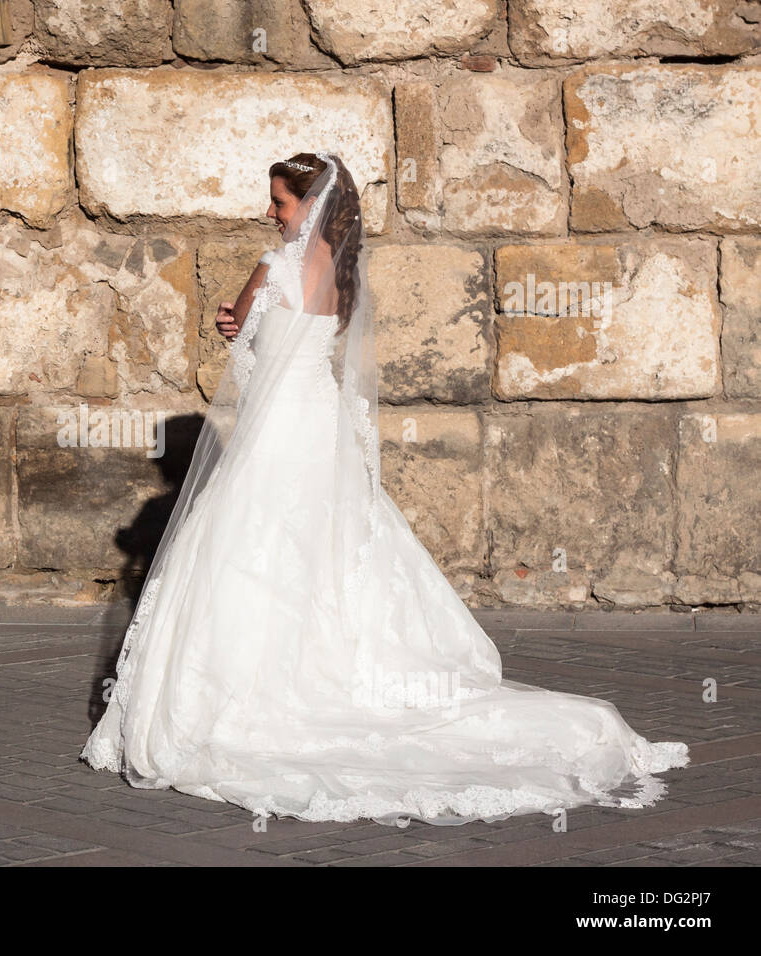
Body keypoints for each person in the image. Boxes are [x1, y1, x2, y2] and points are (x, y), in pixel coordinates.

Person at [80, 151, 690, 826]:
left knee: (252, 550)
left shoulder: (274, 265)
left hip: (278, 431)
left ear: (306, 208)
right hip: (321, 428)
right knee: (328, 552)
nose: (270, 212)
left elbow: (248, 358)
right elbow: (299, 347)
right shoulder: (343, 276)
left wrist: (235, 325)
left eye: (279, 202)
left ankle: (261, 694)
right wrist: (249, 328)